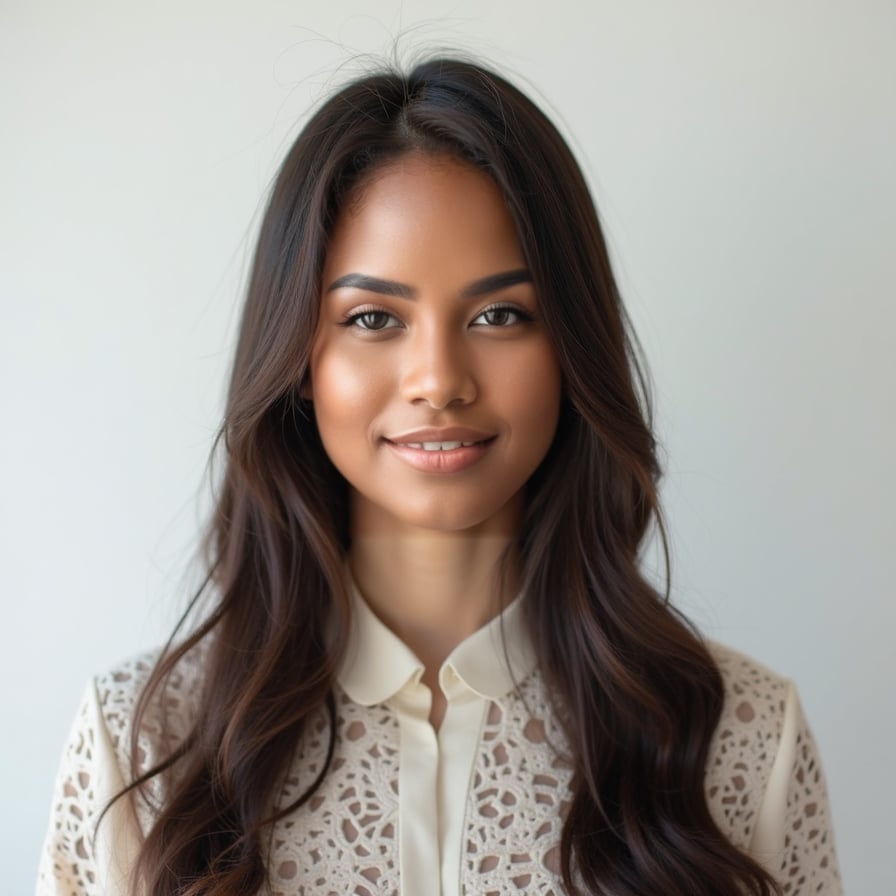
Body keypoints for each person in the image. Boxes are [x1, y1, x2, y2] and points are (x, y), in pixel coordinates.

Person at [37, 56, 842, 896]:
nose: (439, 378)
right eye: (374, 318)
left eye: (500, 315)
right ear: (300, 360)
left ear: (570, 345)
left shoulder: (741, 737)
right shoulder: (143, 746)